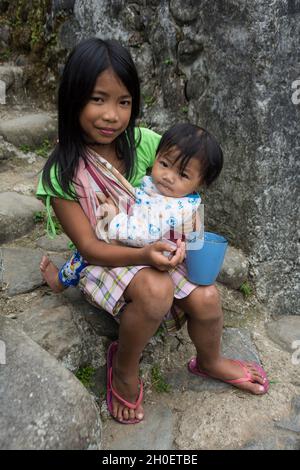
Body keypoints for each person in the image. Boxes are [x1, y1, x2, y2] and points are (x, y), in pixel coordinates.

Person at [36, 37, 269, 425]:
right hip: (107, 256)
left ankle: (209, 360)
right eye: (98, 99)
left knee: (208, 297)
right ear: (73, 97)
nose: (112, 115)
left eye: (123, 102)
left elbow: (188, 167)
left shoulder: (142, 144)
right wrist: (146, 256)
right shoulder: (62, 173)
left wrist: (189, 238)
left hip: (155, 247)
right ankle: (124, 370)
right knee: (157, 288)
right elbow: (92, 246)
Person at [41, 122, 205, 291]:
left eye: (183, 174)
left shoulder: (176, 208)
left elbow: (142, 236)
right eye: (164, 164)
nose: (168, 177)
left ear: (200, 183)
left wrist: (115, 218)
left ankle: (60, 281)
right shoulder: (176, 194)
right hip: (146, 246)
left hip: (142, 247)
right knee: (88, 250)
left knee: (83, 256)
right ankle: (61, 280)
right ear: (157, 156)